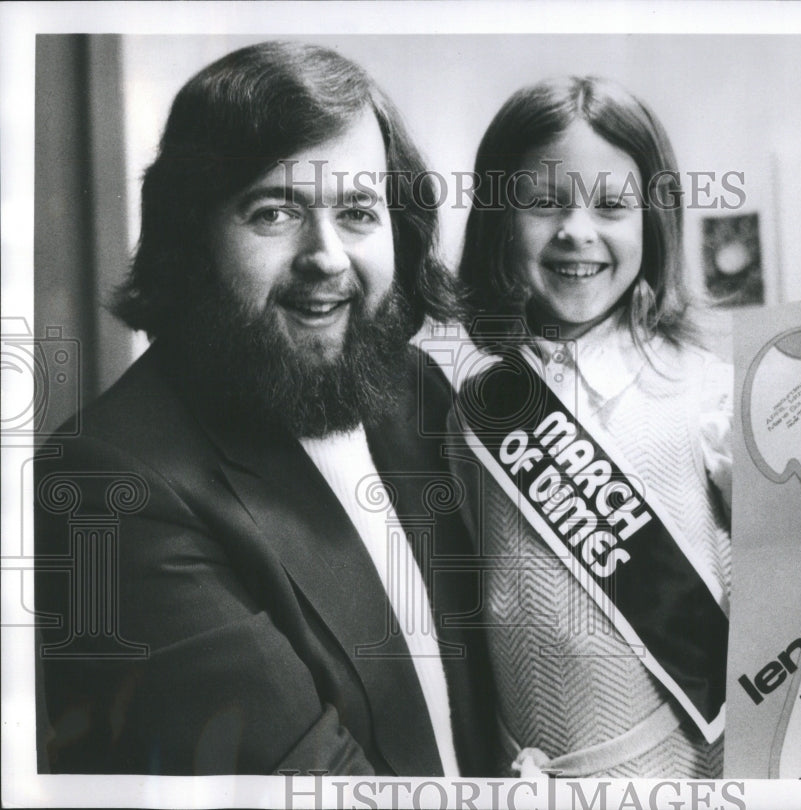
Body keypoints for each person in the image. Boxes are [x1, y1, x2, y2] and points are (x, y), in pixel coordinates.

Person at [34, 41, 496, 776]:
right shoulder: (109, 485)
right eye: (275, 212)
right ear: (191, 235)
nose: (328, 256)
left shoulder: (412, 393)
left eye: (357, 211)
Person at [453, 76, 732, 778]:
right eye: (545, 202)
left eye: (612, 205)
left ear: (655, 221)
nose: (577, 230)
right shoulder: (469, 401)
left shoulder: (708, 394)